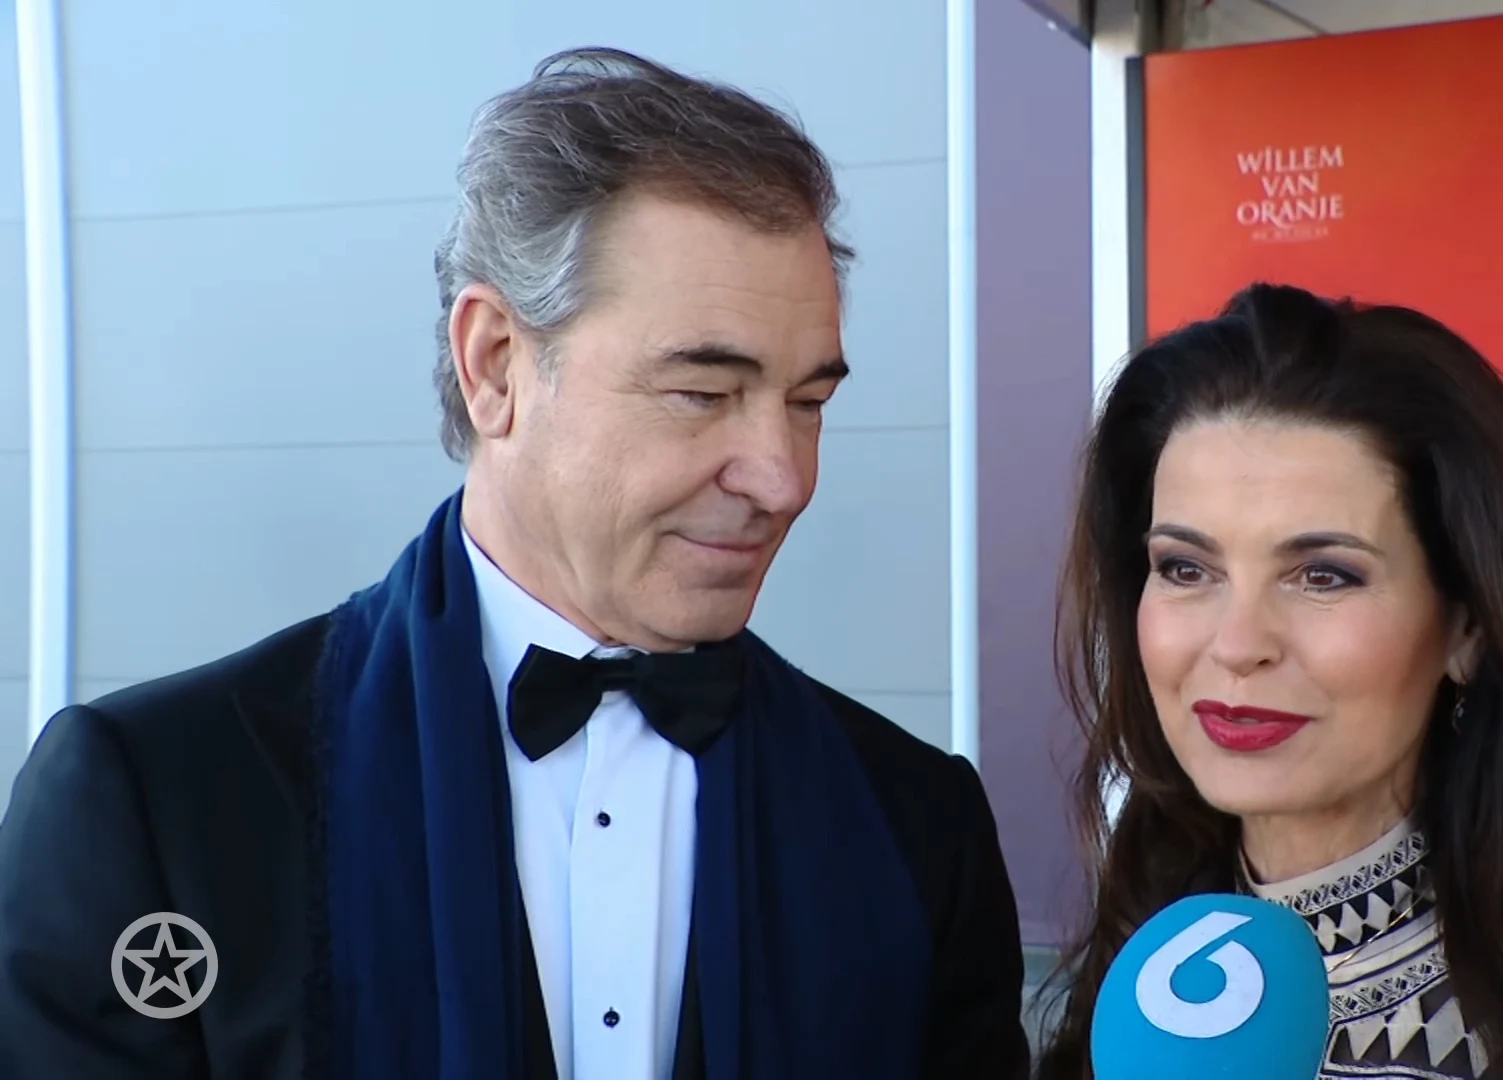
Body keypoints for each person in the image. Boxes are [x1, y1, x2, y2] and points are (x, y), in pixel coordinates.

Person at [0, 49, 1030, 1080]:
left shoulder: (919, 830)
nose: (783, 478)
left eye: (809, 403)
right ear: (494, 364)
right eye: (703, 393)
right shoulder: (155, 808)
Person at [1036, 284, 1503, 1080]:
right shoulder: (1138, 982)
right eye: (1186, 568)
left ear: (1467, 627)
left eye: (1323, 575)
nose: (1238, 644)